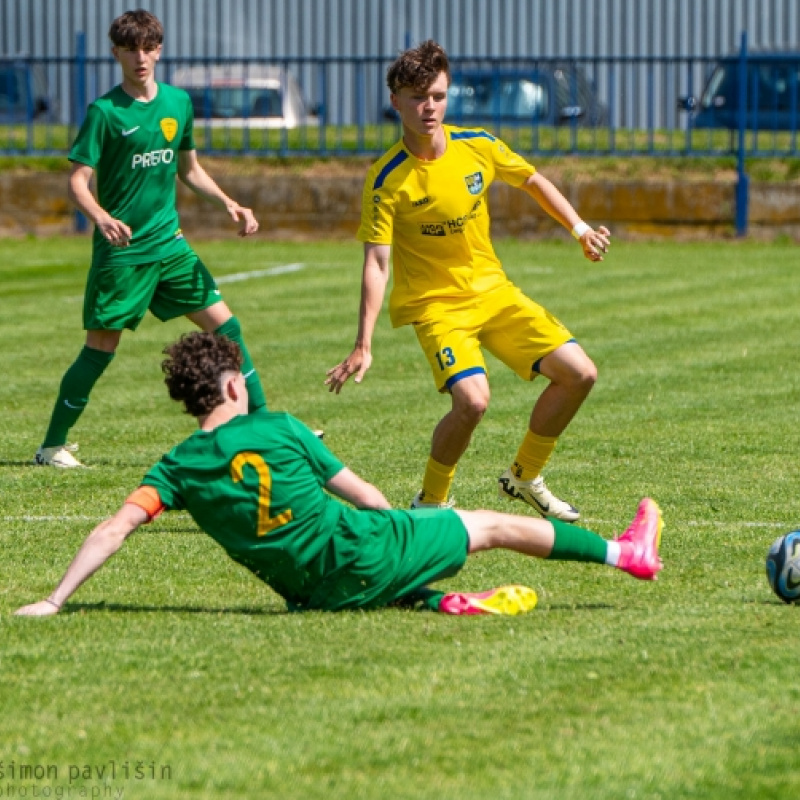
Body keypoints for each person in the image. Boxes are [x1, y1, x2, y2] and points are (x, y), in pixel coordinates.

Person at [15, 332, 663, 619]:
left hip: (312, 596)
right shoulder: (280, 428)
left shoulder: (175, 469)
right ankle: (624, 553)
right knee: (485, 524)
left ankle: (433, 599)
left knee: (373, 565)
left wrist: (54, 598)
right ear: (235, 383)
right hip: (363, 552)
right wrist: (413, 531)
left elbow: (115, 528)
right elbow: (367, 497)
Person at [325, 40, 612, 522]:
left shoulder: (476, 144)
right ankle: (432, 503)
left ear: (448, 94)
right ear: (395, 102)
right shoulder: (386, 179)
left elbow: (533, 180)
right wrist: (363, 343)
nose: (428, 107)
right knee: (473, 401)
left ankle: (525, 476)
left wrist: (579, 229)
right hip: (437, 308)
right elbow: (377, 262)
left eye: (437, 95)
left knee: (580, 373)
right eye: (417, 97)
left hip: (494, 293)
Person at [35, 8, 266, 469]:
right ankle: (51, 446)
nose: (140, 57)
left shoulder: (178, 103)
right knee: (100, 350)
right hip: (123, 254)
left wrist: (228, 202)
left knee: (227, 327)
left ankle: (263, 427)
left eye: (148, 47)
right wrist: (100, 216)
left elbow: (190, 169)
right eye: (130, 49)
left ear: (158, 50)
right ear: (116, 52)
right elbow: (79, 181)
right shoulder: (104, 112)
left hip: (170, 245)